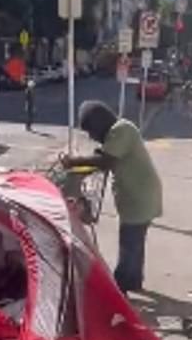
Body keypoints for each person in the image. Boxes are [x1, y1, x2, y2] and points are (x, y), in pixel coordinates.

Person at [62, 101, 163, 294]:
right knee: (135, 243)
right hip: (140, 197)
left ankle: (120, 288)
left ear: (99, 122)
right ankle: (134, 281)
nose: (91, 136)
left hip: (139, 198)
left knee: (129, 244)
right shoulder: (118, 132)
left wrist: (73, 162)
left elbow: (105, 160)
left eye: (91, 130)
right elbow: (101, 155)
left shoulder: (121, 130)